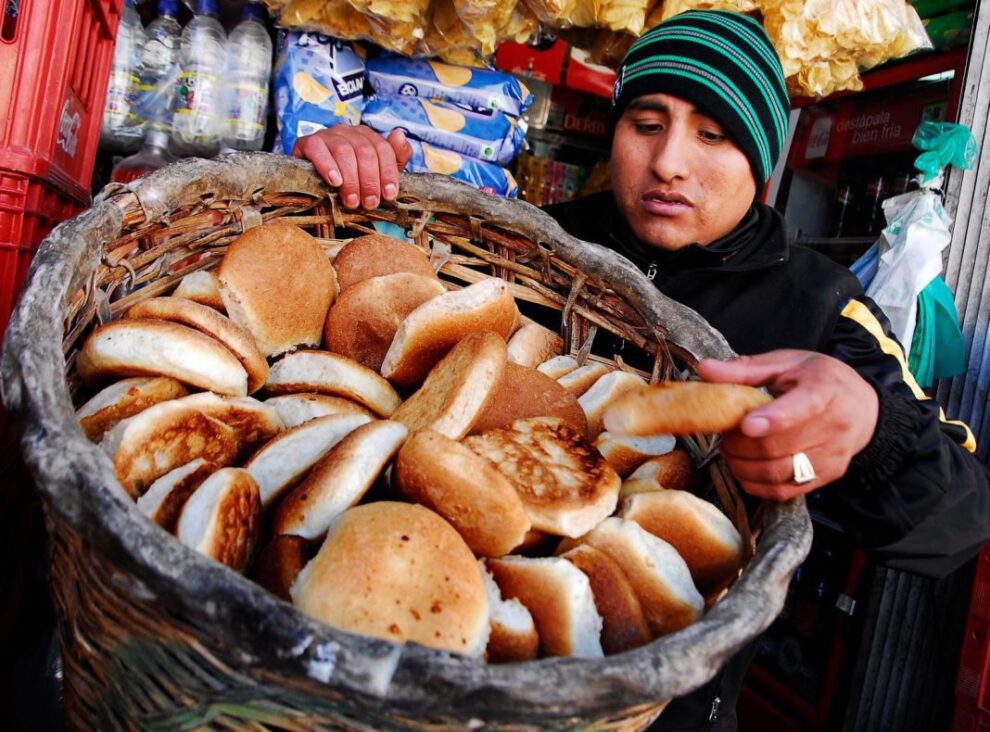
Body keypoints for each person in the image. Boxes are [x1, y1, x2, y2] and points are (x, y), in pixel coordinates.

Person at [294, 10, 990, 730]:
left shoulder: (819, 310)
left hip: (665, 706)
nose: (669, 163)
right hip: (457, 648)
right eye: (647, 123)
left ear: (762, 158)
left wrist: (869, 427)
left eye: (713, 135)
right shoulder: (538, 243)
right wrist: (355, 183)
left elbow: (962, 515)